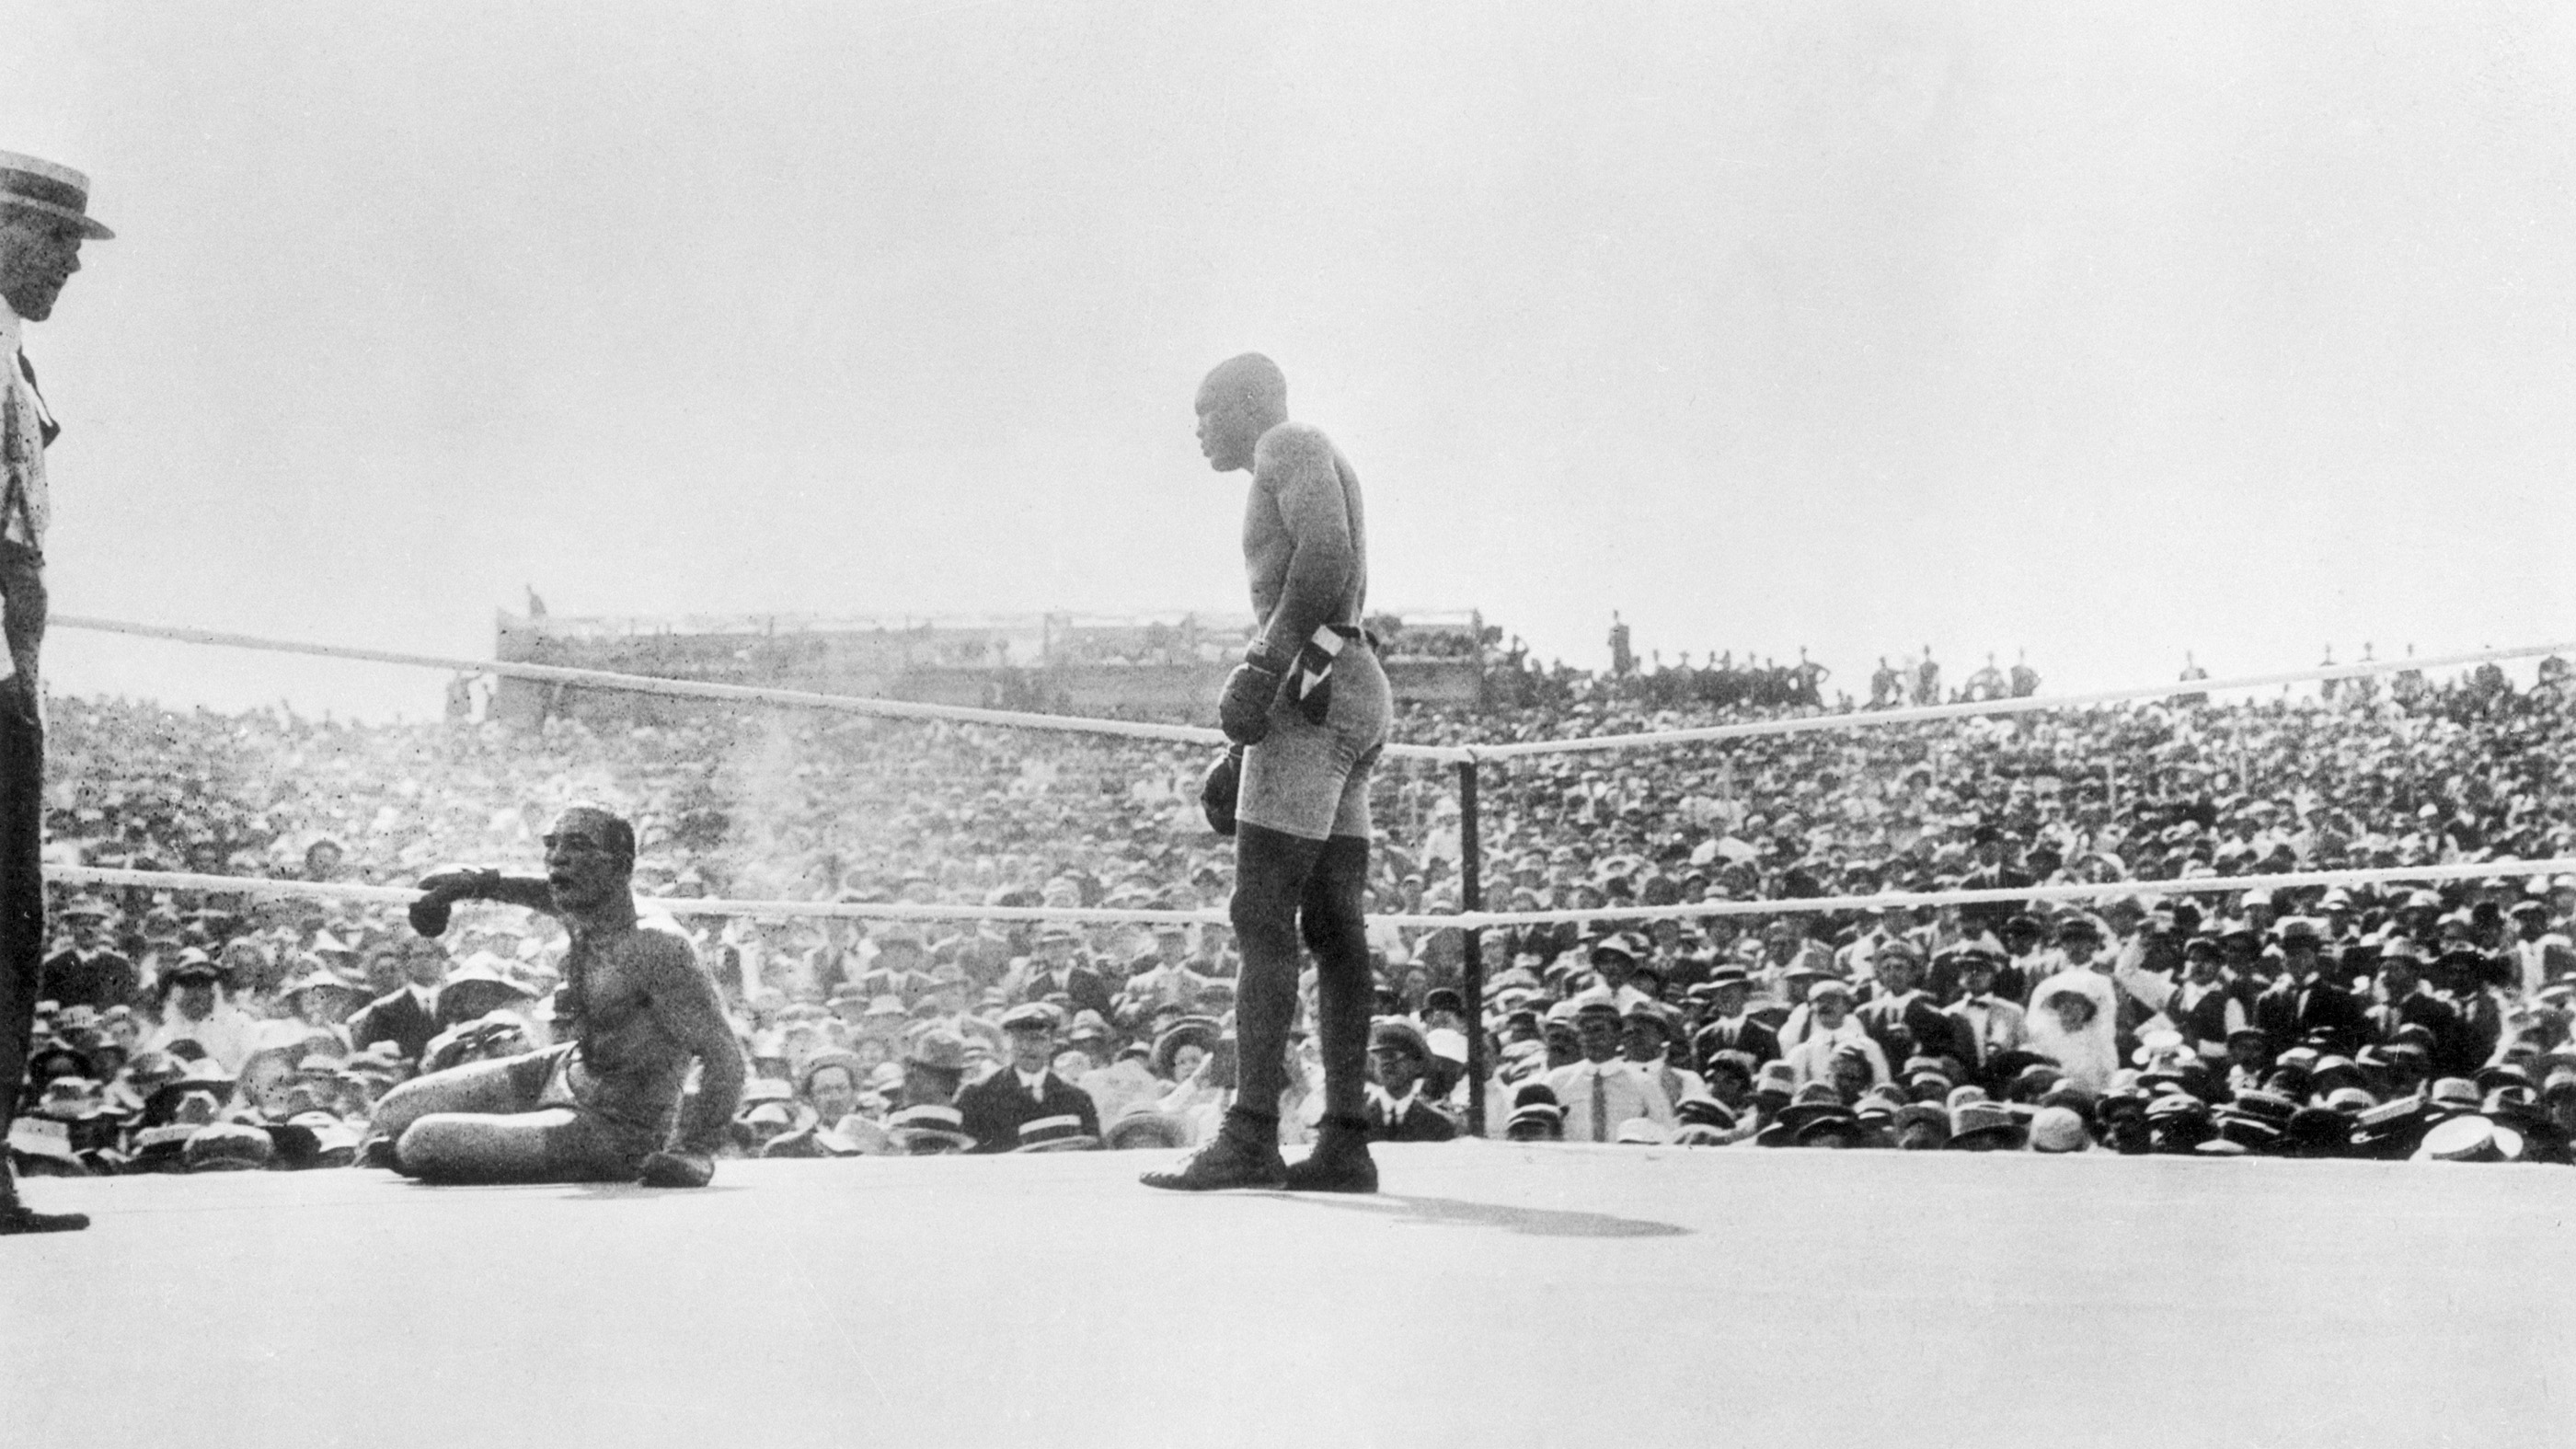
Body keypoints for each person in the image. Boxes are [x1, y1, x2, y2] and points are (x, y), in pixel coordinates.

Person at [1148, 354, 1391, 1194]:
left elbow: (1325, 553)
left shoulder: (1287, 443)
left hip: (1314, 682)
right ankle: (1346, 1139)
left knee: (1261, 909)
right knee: (1334, 922)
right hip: (1347, 678)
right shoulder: (1310, 454)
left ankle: (1251, 1129)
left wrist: (1263, 664)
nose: (1200, 430)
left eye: (1206, 410)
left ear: (1247, 404)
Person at [362, 804, 746, 1187]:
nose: (558, 857)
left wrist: (694, 1149)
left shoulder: (655, 944)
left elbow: (724, 1052)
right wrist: (480, 882)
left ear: (620, 866)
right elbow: (541, 890)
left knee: (423, 1141)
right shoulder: (583, 904)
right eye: (552, 844)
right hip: (565, 1069)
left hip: (619, 1124)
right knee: (390, 1113)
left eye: (577, 846)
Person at [0, 149, 110, 1236]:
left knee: (9, 919)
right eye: (53, 240)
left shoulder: (12, 355)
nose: (69, 264)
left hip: (7, 668)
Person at [955, 1003, 1101, 1153]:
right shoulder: (978, 1095)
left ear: (1052, 1044)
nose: (1027, 1047)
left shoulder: (1076, 1098)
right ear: (1007, 1043)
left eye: (1037, 1039)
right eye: (1019, 1039)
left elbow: (1094, 1152)